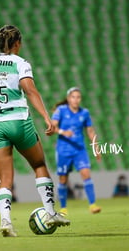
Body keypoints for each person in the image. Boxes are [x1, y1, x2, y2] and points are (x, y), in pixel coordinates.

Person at [0, 25, 70, 237]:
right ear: (17, 44)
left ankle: (6, 221)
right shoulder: (20, 63)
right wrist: (47, 118)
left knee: (4, 178)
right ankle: (50, 213)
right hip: (17, 120)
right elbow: (30, 90)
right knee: (38, 164)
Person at [51, 87, 102, 216]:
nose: (76, 100)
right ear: (68, 99)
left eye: (78, 97)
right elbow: (52, 127)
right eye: (73, 97)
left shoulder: (84, 113)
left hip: (79, 150)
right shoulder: (61, 110)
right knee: (63, 179)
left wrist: (96, 147)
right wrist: (63, 132)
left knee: (86, 174)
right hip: (63, 150)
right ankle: (63, 208)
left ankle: (92, 205)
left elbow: (90, 131)